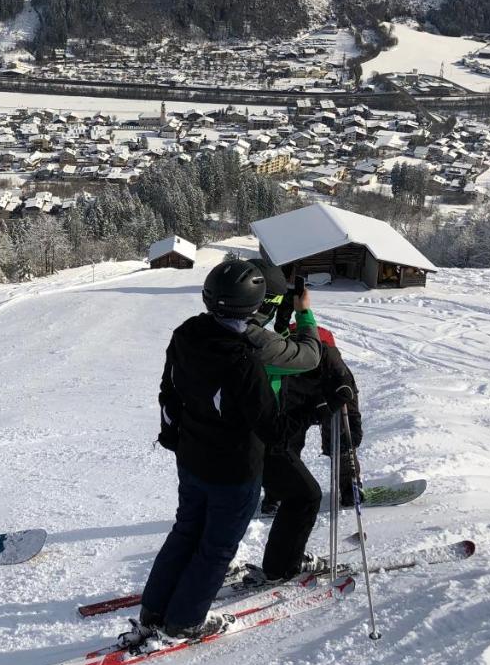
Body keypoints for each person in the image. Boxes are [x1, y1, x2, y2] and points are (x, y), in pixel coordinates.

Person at [130, 259, 321, 645]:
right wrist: (312, 412)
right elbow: (271, 427)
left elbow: (169, 390)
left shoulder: (187, 333)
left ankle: (153, 612)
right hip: (234, 468)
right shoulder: (244, 359)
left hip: (193, 456)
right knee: (216, 548)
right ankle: (184, 622)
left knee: (185, 533)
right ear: (256, 305)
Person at [247, 267, 362, 584]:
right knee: (291, 464)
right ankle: (275, 505)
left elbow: (346, 406)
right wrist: (297, 310)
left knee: (336, 440)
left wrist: (348, 442)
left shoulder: (329, 360)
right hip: (282, 414)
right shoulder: (286, 350)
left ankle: (350, 487)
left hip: (318, 402)